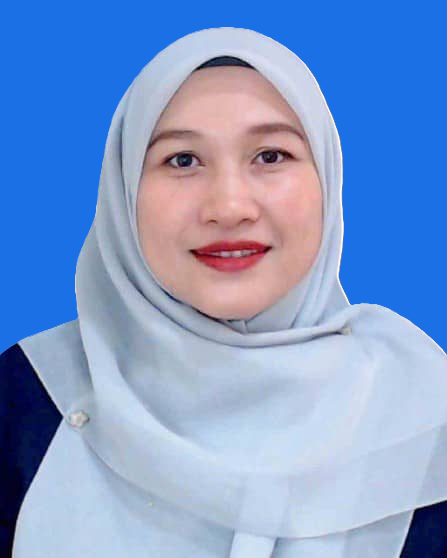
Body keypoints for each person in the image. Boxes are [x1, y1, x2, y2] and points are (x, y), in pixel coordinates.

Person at [1, 27, 447, 558]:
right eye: (182, 160)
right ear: (123, 191)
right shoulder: (27, 398)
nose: (229, 206)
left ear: (328, 179)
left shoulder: (424, 415)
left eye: (271, 156)